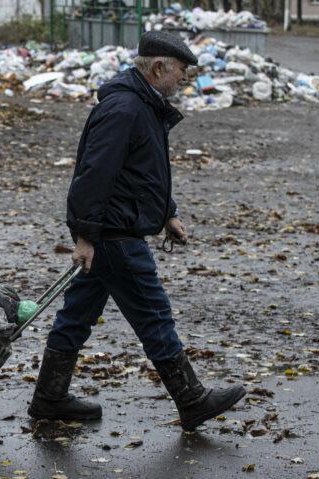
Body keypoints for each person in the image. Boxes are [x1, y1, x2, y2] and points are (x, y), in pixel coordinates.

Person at [28, 31, 246, 432]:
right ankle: (192, 399)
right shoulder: (126, 109)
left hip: (114, 230)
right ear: (159, 67)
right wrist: (85, 237)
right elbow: (93, 176)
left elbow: (142, 172)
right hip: (114, 235)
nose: (184, 79)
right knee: (154, 317)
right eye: (181, 70)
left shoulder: (145, 104)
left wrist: (168, 214)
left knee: (76, 317)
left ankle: (49, 396)